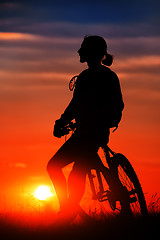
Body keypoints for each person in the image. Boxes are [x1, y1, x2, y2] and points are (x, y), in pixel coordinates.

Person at [47, 35, 124, 220]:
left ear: (92, 53)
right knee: (76, 170)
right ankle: (69, 210)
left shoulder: (89, 77)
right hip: (93, 132)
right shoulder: (106, 76)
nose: (79, 51)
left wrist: (61, 123)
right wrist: (62, 122)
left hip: (88, 134)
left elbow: (76, 105)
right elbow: (116, 105)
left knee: (56, 167)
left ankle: (67, 211)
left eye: (83, 48)